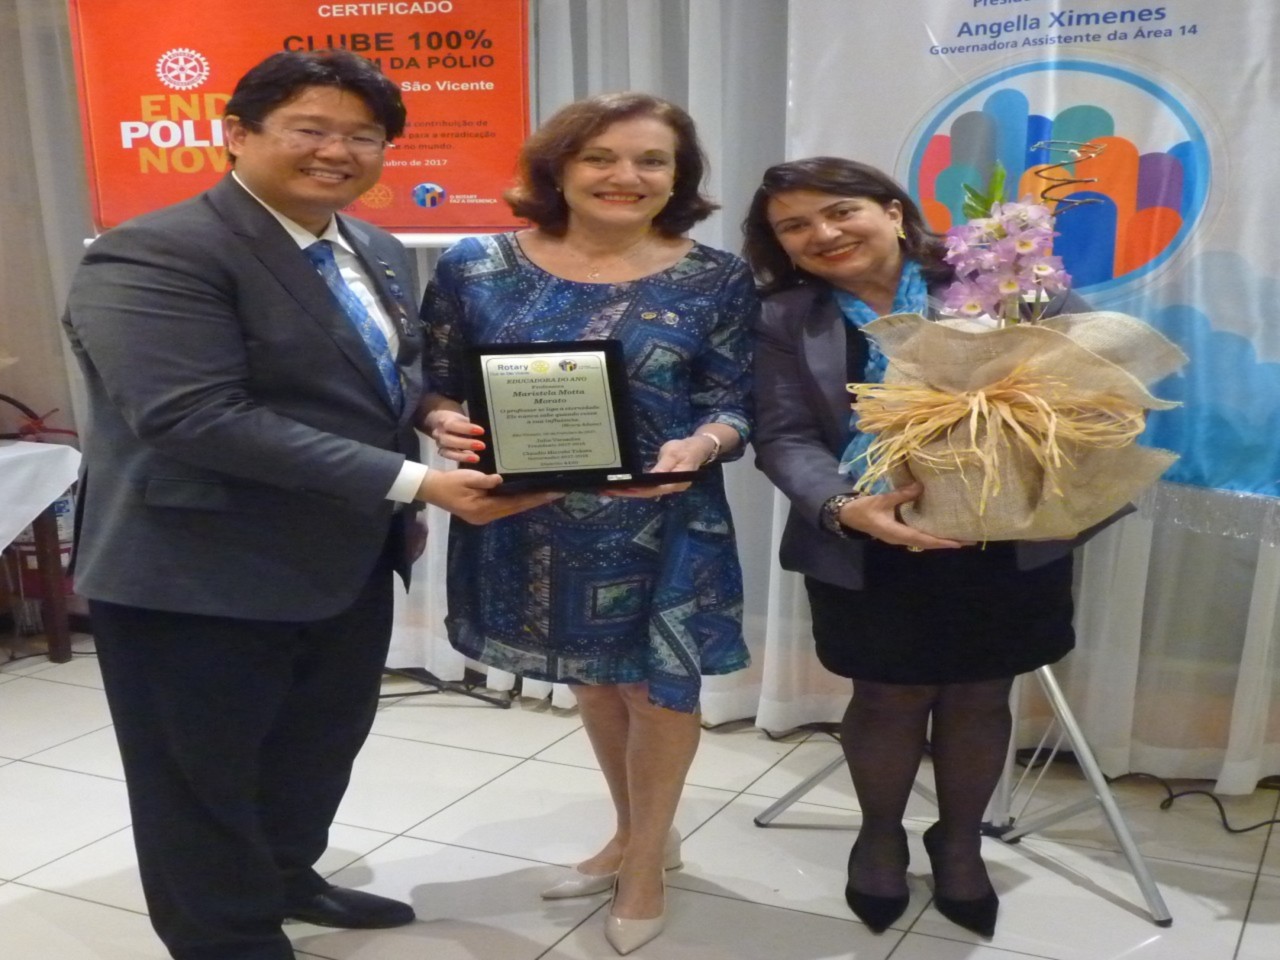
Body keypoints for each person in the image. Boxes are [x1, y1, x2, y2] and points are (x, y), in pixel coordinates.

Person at [62, 50, 553, 960]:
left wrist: (433, 414)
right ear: (237, 133)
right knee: (200, 779)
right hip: (195, 571)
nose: (338, 151)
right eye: (310, 129)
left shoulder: (371, 247)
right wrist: (416, 483)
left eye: (362, 136)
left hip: (345, 556)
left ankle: (287, 876)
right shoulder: (155, 251)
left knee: (315, 746)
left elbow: (379, 373)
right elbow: (192, 416)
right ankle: (227, 938)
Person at [419, 92, 755, 955]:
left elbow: (732, 399)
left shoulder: (716, 276)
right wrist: (445, 423)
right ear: (559, 168)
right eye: (600, 157)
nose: (624, 176)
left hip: (663, 517)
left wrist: (705, 443)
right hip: (529, 519)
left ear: (678, 178)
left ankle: (644, 867)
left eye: (651, 160)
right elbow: (436, 381)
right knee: (597, 684)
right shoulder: (475, 266)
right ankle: (636, 834)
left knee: (656, 686)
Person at [743, 157, 1097, 939]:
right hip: (868, 535)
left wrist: (1058, 480)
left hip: (1004, 534)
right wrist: (847, 506)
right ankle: (879, 837)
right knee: (886, 696)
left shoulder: (998, 277)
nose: (822, 233)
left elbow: (1093, 386)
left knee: (980, 694)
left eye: (840, 211)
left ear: (894, 211)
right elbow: (785, 435)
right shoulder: (786, 318)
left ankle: (959, 841)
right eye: (794, 226)